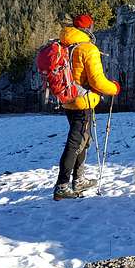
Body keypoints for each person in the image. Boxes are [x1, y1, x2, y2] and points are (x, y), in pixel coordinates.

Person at [54, 14, 121, 200]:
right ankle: (62, 185)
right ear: (89, 28)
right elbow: (97, 81)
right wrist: (114, 88)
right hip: (82, 102)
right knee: (75, 142)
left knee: (83, 140)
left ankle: (79, 179)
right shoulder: (87, 48)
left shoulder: (64, 45)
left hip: (67, 99)